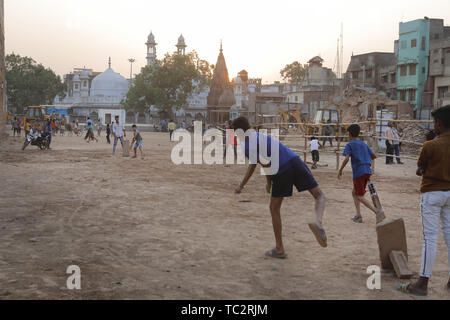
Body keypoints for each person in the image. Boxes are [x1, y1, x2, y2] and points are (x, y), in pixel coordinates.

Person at [233, 117, 328, 259]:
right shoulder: (259, 135)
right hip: (294, 161)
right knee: (319, 195)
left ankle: (279, 248)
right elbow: (261, 162)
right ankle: (318, 222)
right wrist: (261, 183)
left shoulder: (247, 146)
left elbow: (262, 164)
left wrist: (262, 182)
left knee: (274, 208)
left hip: (280, 169)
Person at [399, 106, 450, 296]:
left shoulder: (430, 145)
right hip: (449, 193)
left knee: (430, 238)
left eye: (435, 122)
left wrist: (428, 142)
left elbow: (419, 170)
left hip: (432, 193)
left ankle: (423, 282)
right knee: (449, 235)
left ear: (440, 123)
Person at [338, 124, 385, 224]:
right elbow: (374, 156)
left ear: (349, 134)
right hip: (367, 171)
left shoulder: (350, 145)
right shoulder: (364, 144)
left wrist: (340, 170)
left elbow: (346, 158)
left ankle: (377, 212)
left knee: (359, 196)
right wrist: (365, 159)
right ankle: (358, 216)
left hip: (359, 172)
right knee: (354, 192)